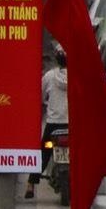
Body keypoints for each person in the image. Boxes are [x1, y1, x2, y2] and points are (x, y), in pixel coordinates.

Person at [31, 49, 70, 199]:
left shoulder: (49, 76)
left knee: (44, 151)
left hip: (53, 125)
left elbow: (40, 96)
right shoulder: (78, 75)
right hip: (72, 126)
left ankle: (30, 183)